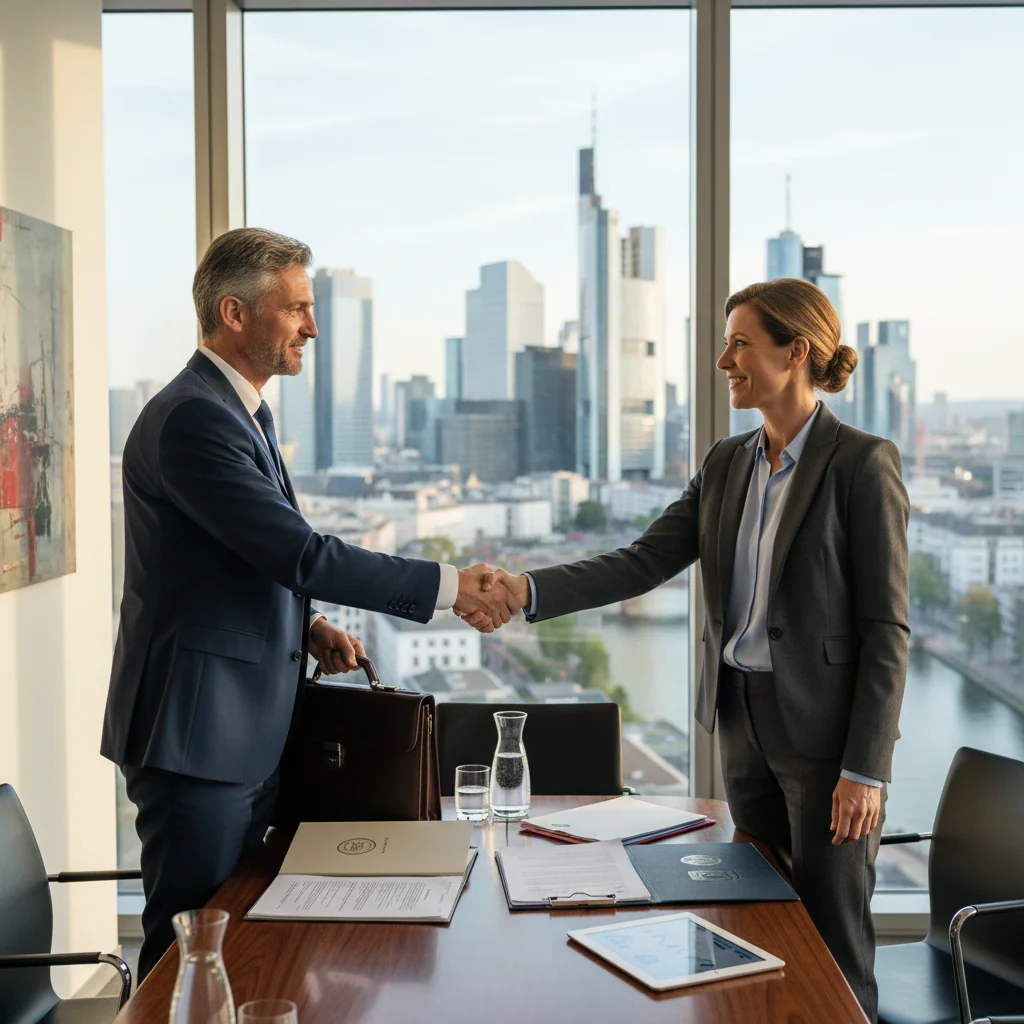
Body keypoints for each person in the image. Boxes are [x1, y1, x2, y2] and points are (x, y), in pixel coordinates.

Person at [480, 278, 909, 1022]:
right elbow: (643, 561)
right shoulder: (726, 462)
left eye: (741, 342)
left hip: (827, 744)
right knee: (753, 919)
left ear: (795, 352)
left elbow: (887, 629)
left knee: (835, 940)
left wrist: (864, 769)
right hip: (741, 721)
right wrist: (525, 589)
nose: (724, 360)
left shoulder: (861, 464)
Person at [101, 227, 523, 979]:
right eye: (296, 308)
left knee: (244, 946)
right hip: (199, 737)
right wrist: (453, 588)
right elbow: (299, 552)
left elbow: (241, 560)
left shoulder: (239, 415)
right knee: (195, 954)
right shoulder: (195, 417)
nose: (313, 327)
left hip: (239, 729)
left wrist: (308, 622)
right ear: (235, 313)